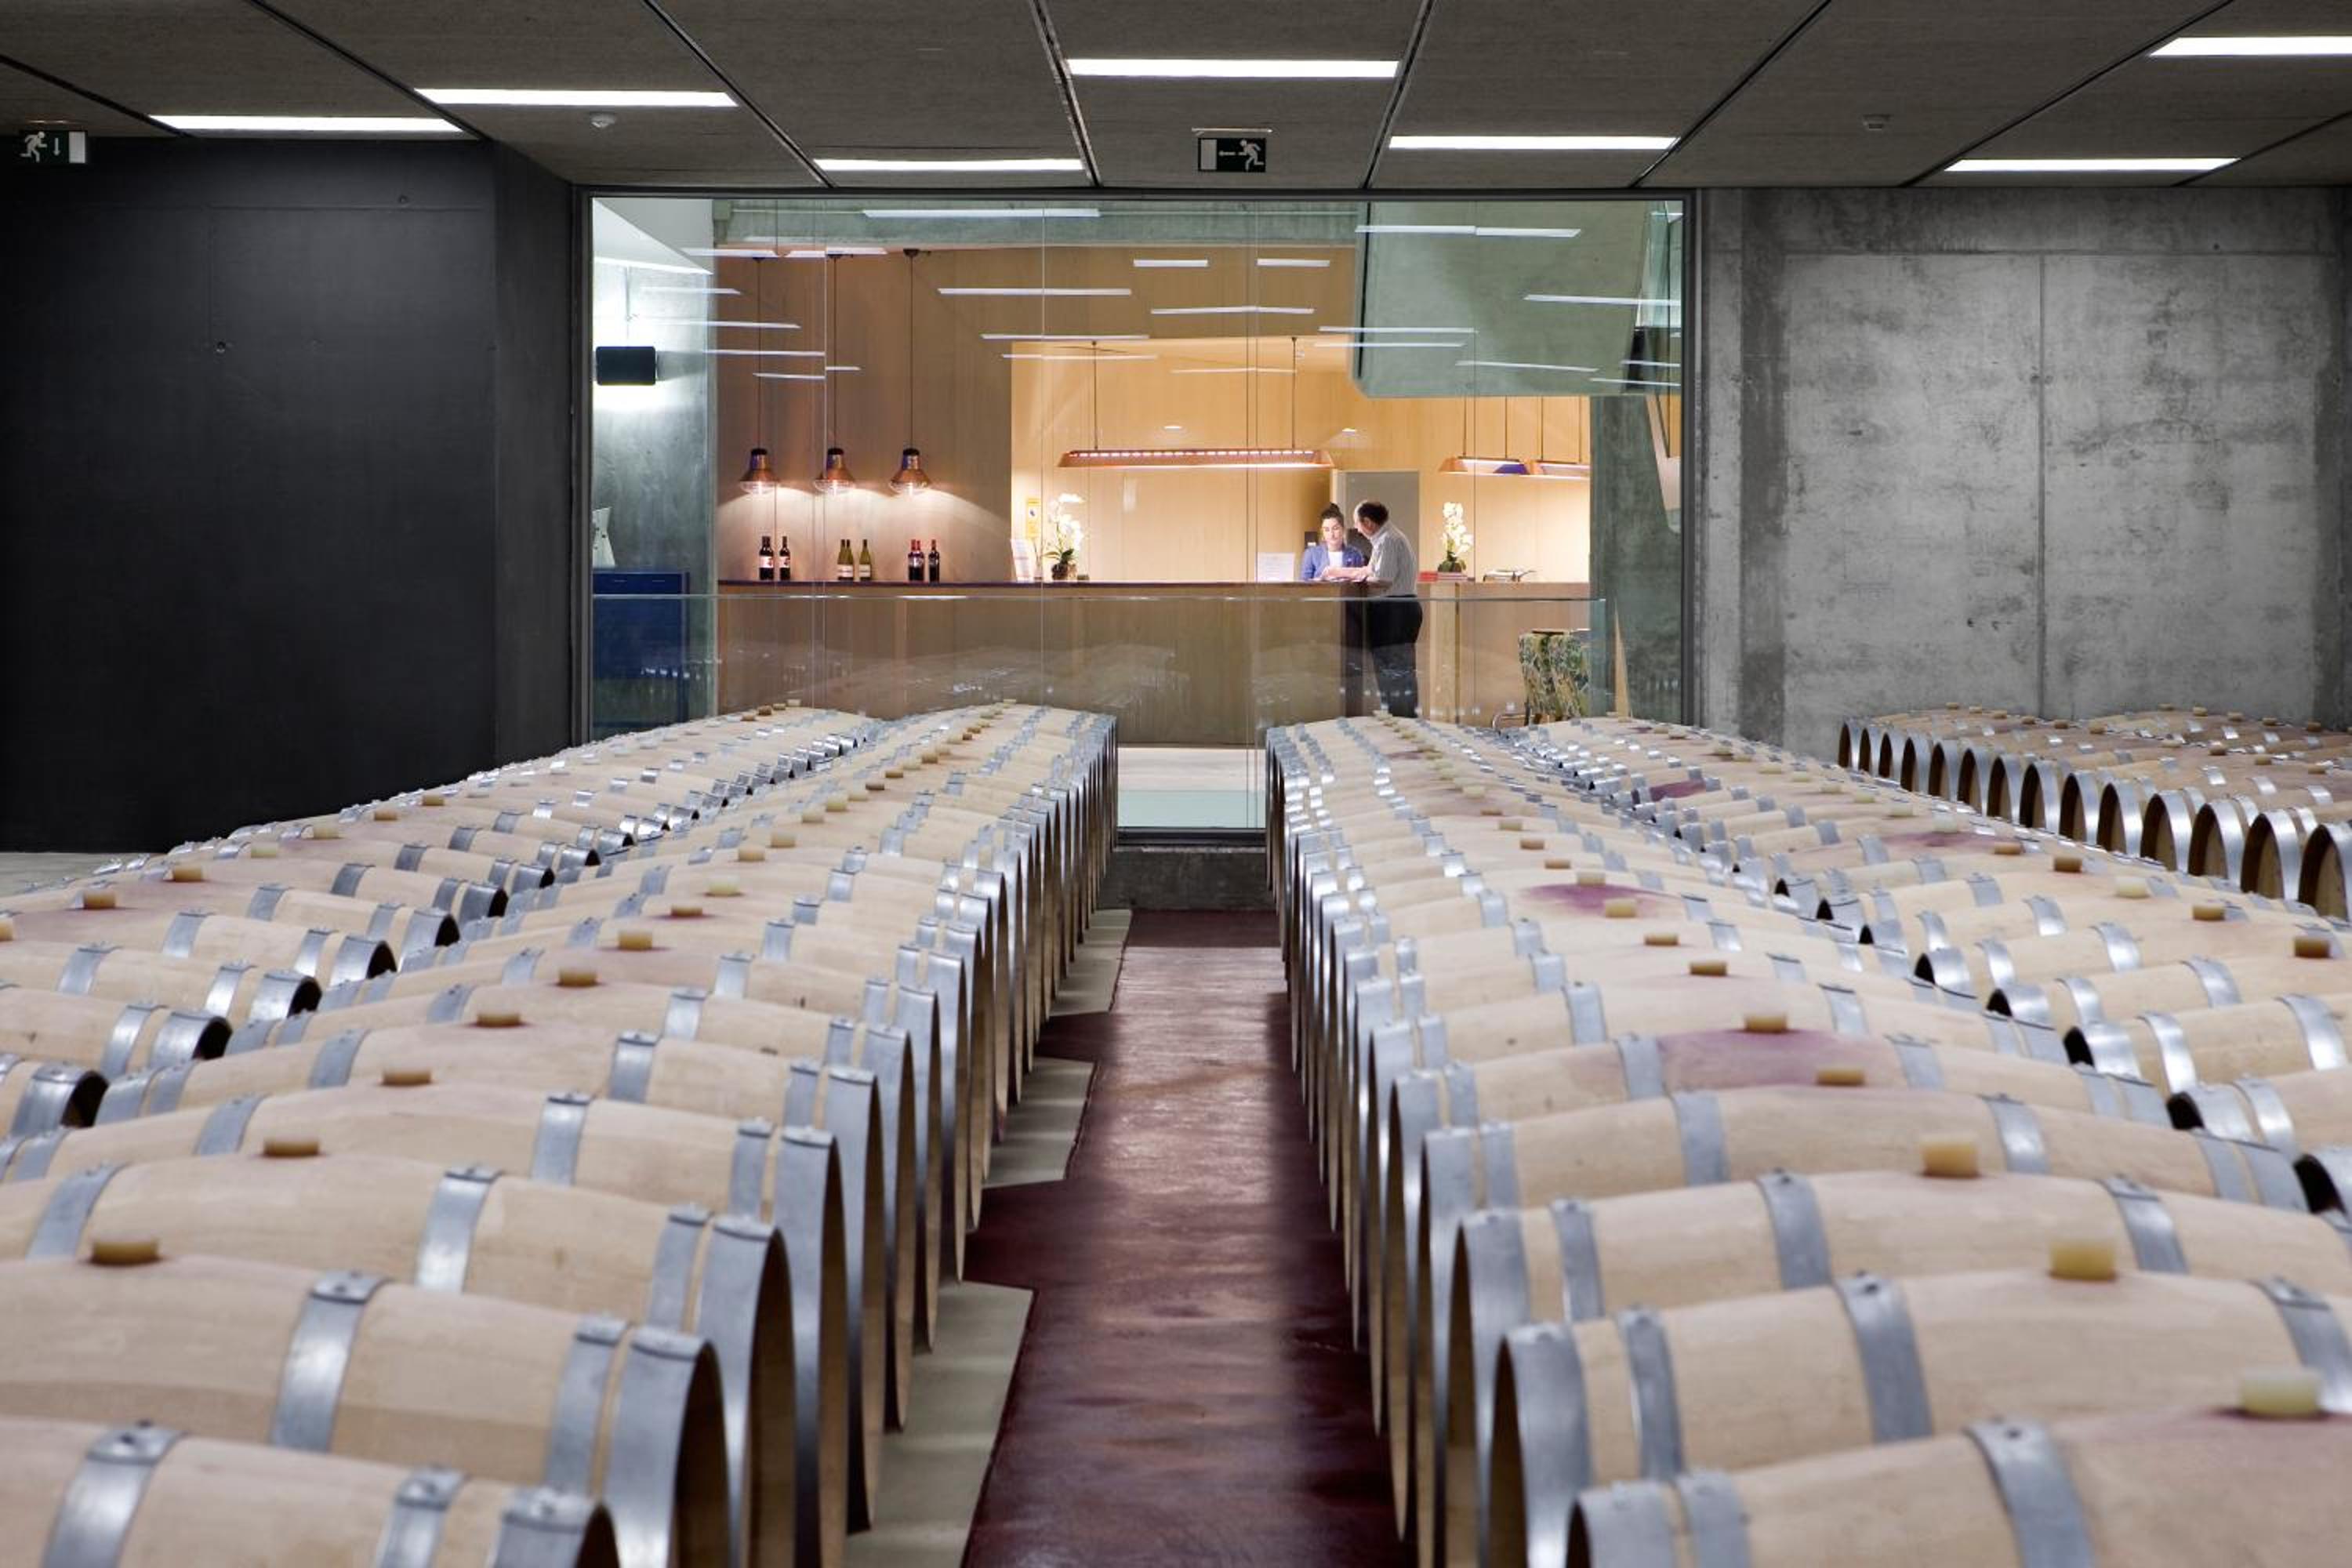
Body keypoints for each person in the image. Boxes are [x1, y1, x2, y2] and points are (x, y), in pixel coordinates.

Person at [1320, 499, 1421, 717]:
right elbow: (1370, 569)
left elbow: (1382, 579)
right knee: (1394, 669)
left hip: (1395, 611)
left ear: (1368, 522)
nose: (1357, 529)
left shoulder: (1388, 540)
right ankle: (1398, 718)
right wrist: (1339, 572)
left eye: (1357, 523)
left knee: (1395, 670)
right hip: (1397, 610)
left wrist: (1361, 579)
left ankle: (1402, 719)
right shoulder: (1386, 538)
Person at [1298, 504, 1365, 582]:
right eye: (1327, 530)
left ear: (1343, 529)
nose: (1331, 534)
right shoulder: (1311, 554)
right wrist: (1320, 580)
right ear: (1322, 532)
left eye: (1335, 528)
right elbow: (1304, 584)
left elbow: (1361, 582)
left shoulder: (1355, 554)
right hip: (1322, 590)